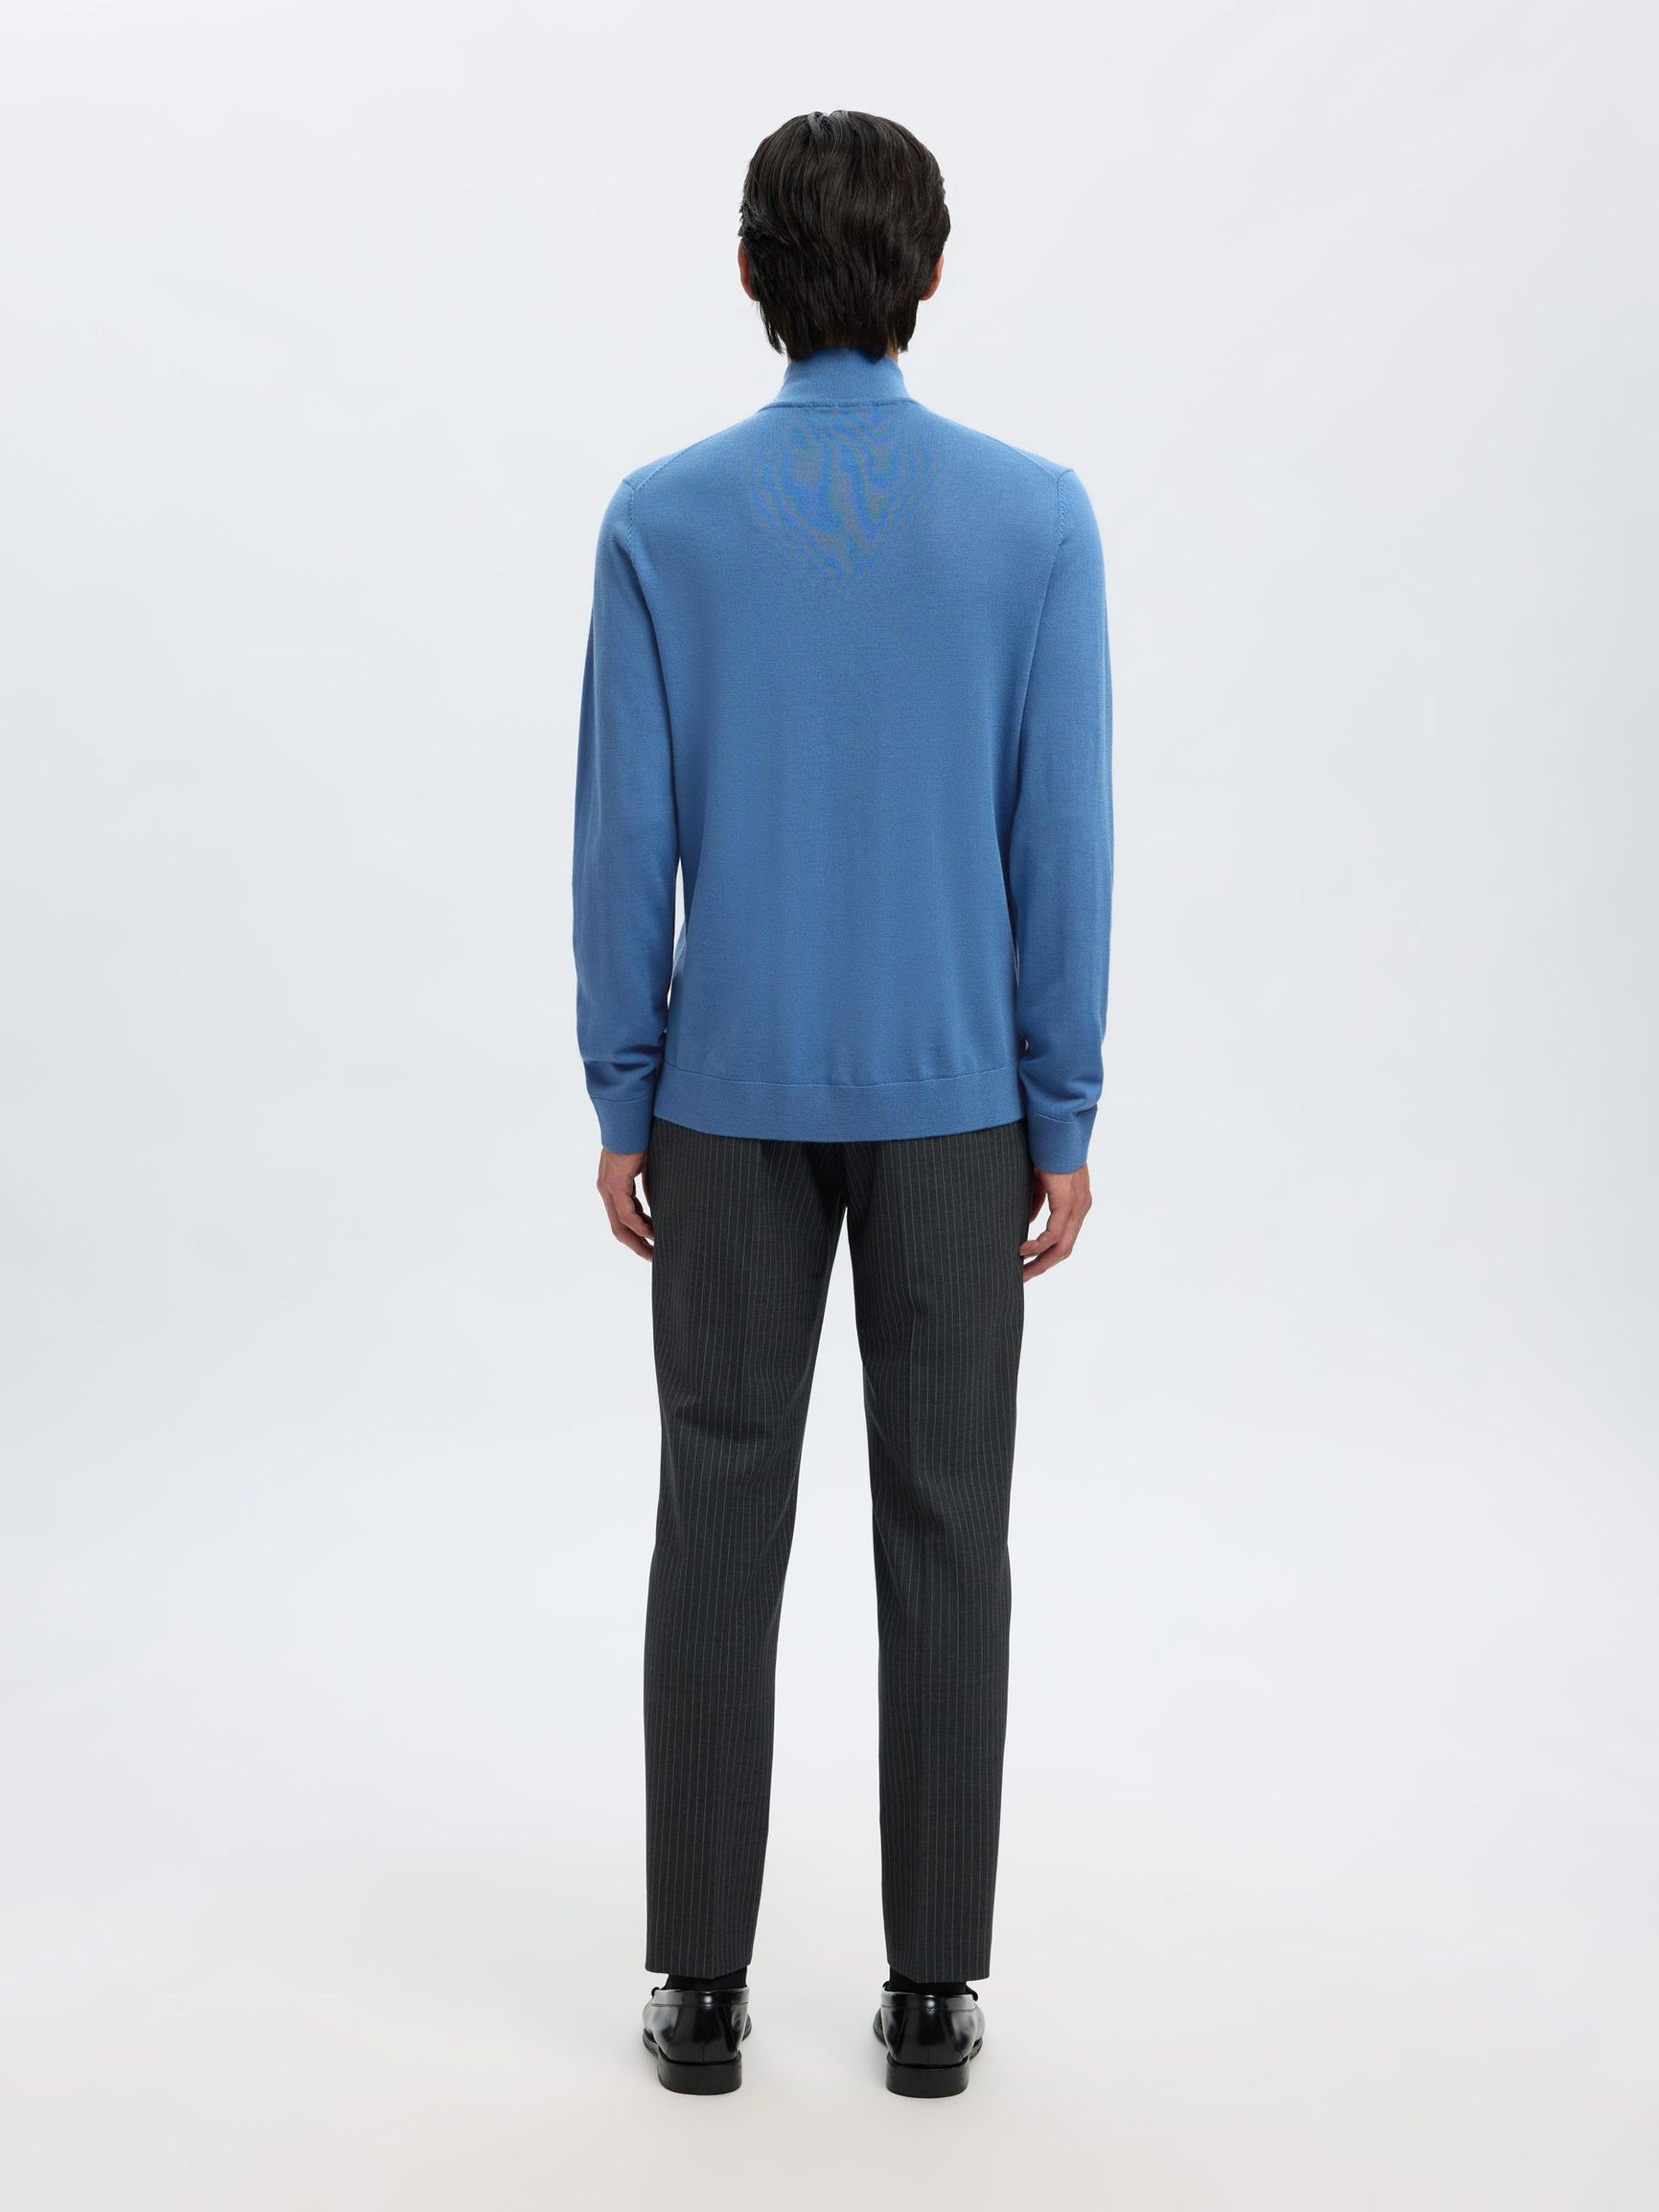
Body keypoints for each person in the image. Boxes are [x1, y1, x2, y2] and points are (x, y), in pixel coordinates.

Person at [572, 109, 1113, 2099]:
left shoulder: (663, 519)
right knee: (948, 1525)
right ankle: (934, 1991)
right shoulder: (1033, 521)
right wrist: (1062, 1107)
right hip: (959, 1104)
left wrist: (621, 1084)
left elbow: (623, 839)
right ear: (931, 276)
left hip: (723, 1102)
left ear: (749, 277)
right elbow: (1062, 839)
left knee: (717, 1510)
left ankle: (701, 1987)